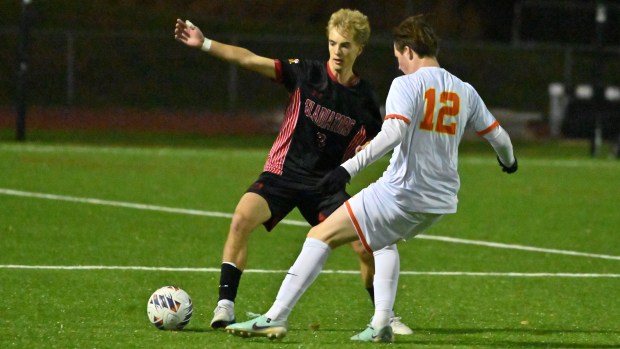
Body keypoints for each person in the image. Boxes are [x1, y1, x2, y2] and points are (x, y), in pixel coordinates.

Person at [224, 14, 518, 342]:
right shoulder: (465, 91)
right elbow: (500, 138)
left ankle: (274, 317)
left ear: (408, 51)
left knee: (320, 235)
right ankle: (381, 322)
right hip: (440, 203)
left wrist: (345, 170)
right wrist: (509, 163)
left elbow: (392, 133)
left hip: (401, 192)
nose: (398, 66)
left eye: (398, 58)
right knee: (380, 241)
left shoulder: (408, 84)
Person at [173, 9, 413, 335]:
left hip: (325, 187)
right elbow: (248, 59)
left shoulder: (365, 100)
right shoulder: (307, 74)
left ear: (360, 49)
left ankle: (385, 316)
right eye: (332, 43)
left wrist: (368, 153)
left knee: (367, 246)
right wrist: (204, 44)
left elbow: (382, 142)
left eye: (345, 45)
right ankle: (225, 306)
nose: (337, 52)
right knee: (243, 217)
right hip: (283, 173)